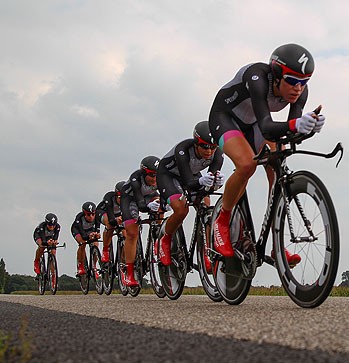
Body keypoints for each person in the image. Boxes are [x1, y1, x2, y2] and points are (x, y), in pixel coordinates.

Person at [208, 43, 325, 265]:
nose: (298, 89)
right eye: (292, 81)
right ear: (277, 74)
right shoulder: (258, 76)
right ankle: (222, 221)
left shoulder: (300, 91)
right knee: (247, 165)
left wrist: (309, 127)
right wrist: (296, 125)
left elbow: (291, 129)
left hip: (255, 125)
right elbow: (267, 126)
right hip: (226, 118)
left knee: (277, 170)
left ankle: (276, 246)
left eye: (304, 82)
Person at [156, 121, 225, 272]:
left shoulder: (218, 154)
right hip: (169, 175)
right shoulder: (183, 149)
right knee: (181, 209)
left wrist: (216, 182)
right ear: (196, 144)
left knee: (207, 204)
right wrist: (201, 181)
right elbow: (188, 182)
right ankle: (164, 240)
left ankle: (207, 251)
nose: (209, 151)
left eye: (212, 147)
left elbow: (209, 182)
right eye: (204, 146)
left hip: (192, 175)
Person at [120, 156, 162, 287]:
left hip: (149, 197)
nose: (155, 179)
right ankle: (130, 273)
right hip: (131, 199)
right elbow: (140, 202)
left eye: (157, 175)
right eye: (151, 175)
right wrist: (146, 207)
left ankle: (156, 239)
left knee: (159, 204)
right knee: (132, 234)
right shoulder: (136, 178)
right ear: (144, 173)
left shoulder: (160, 178)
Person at [97, 181, 125, 263]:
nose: (122, 200)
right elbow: (111, 218)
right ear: (116, 195)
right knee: (110, 225)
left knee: (125, 232)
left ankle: (123, 262)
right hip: (104, 212)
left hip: (118, 215)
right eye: (120, 198)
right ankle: (105, 249)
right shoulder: (109, 197)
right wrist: (115, 220)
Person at [71, 202, 101, 277]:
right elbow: (83, 235)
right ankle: (80, 265)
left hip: (89, 230)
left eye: (92, 214)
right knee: (82, 244)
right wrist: (88, 237)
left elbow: (97, 228)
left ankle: (94, 266)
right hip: (78, 230)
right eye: (88, 214)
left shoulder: (97, 216)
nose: (91, 217)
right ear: (84, 213)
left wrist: (96, 234)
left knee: (95, 244)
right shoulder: (79, 217)